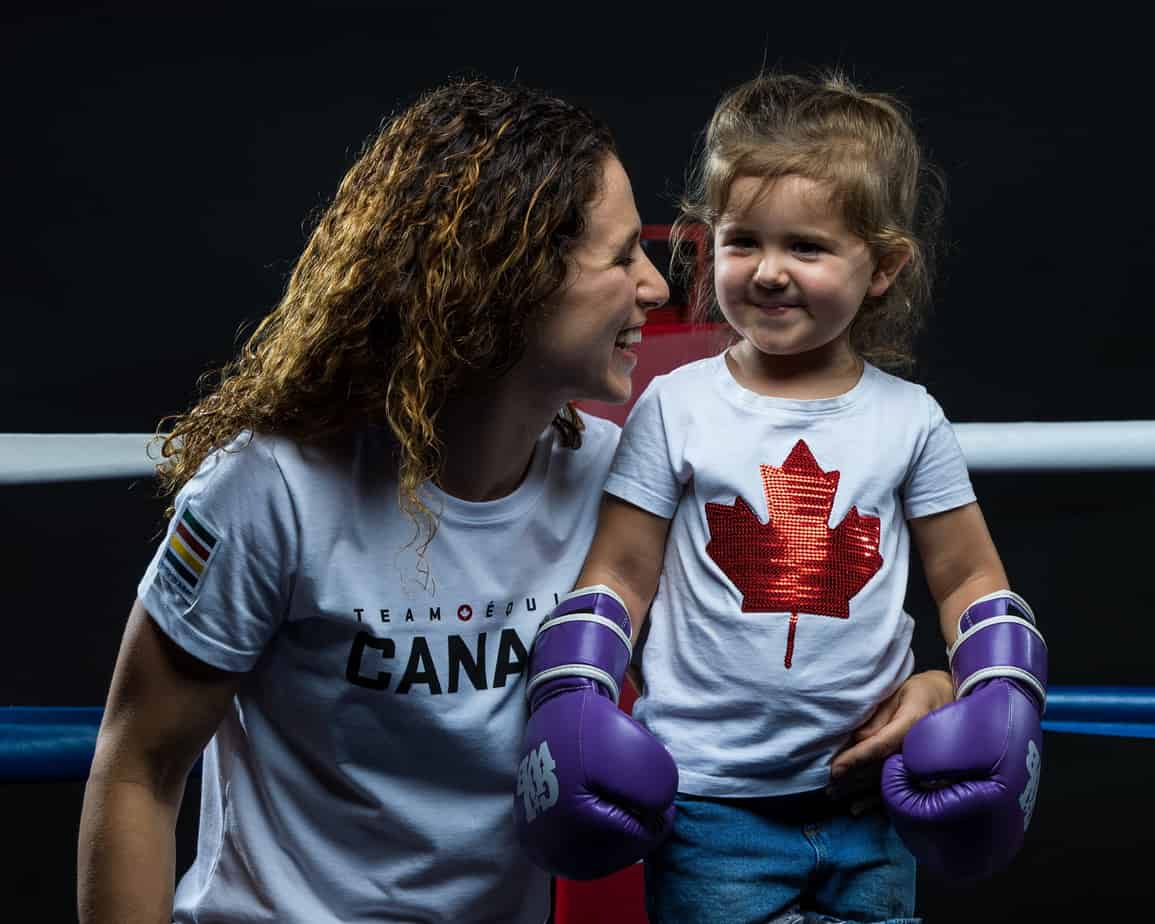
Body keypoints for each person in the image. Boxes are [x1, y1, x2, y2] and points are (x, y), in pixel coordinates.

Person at [76, 76, 964, 924]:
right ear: (505, 282)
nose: (658, 287)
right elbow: (139, 769)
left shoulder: (620, 481)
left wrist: (926, 687)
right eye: (621, 257)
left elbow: (772, 660)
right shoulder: (273, 489)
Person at [514, 72, 1047, 924]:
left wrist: (1000, 694)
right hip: (710, 804)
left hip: (868, 795)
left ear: (883, 266)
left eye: (805, 246)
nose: (767, 272)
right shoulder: (675, 405)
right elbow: (618, 575)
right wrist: (571, 693)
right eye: (740, 241)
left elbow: (970, 583)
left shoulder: (909, 421)